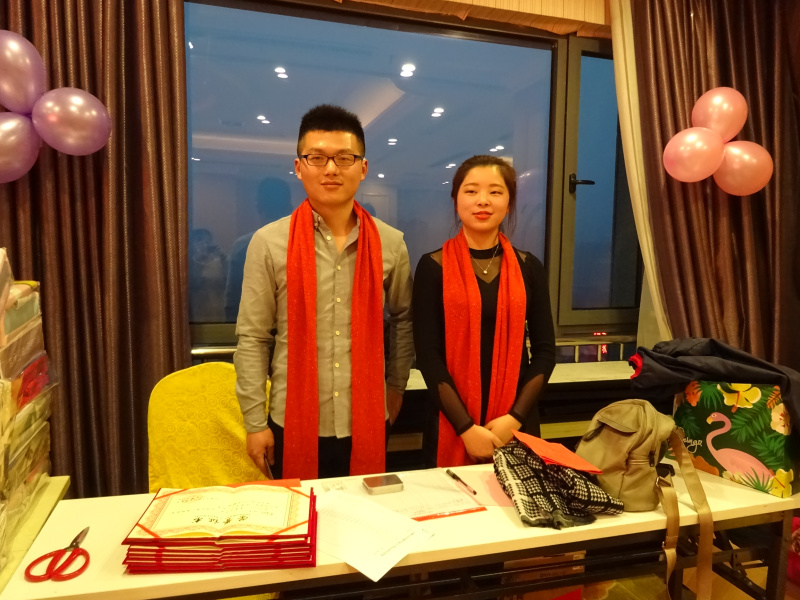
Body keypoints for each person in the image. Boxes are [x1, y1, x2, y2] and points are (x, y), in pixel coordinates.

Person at [234, 104, 414, 480]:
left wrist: (396, 387)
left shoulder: (391, 243)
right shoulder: (268, 243)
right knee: (300, 515)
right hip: (290, 420)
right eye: (317, 158)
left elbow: (403, 320)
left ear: (363, 167)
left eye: (344, 158)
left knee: (364, 515)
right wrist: (254, 422)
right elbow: (253, 337)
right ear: (299, 167)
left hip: (368, 418)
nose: (331, 169)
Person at [412, 155, 555, 467]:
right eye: (471, 190)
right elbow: (427, 356)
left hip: (516, 424)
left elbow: (545, 352)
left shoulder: (529, 267)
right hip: (451, 423)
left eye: (495, 191)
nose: (483, 200)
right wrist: (465, 428)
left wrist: (514, 419)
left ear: (509, 203)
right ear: (456, 200)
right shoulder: (432, 267)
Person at [224, 177, 293, 321]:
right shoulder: (313, 242)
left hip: (259, 325)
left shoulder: (243, 246)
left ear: (258, 207)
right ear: (290, 206)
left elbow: (234, 303)